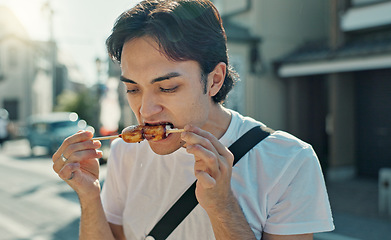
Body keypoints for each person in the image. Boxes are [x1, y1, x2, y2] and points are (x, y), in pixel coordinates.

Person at [52, 0, 334, 239]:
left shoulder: (288, 161)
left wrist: (222, 206)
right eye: (133, 89)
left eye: (167, 88)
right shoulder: (127, 150)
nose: (146, 110)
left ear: (214, 80)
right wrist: (89, 197)